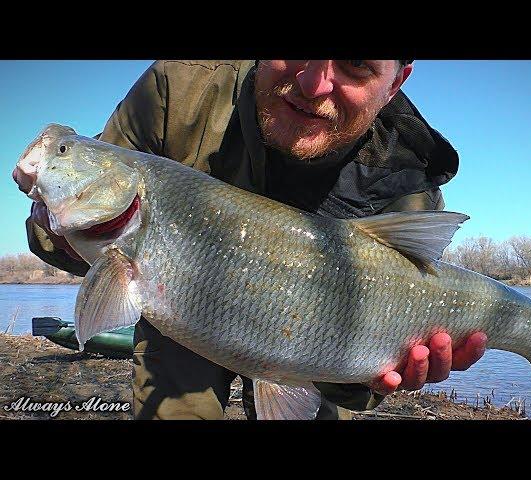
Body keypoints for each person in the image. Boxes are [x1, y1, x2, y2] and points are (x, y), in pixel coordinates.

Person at [14, 60, 488, 420]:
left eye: (356, 63)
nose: (313, 83)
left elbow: (361, 375)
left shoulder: (404, 185)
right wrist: (49, 214)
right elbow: (56, 244)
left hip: (319, 344)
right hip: (185, 317)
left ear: (395, 85)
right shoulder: (177, 90)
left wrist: (375, 379)